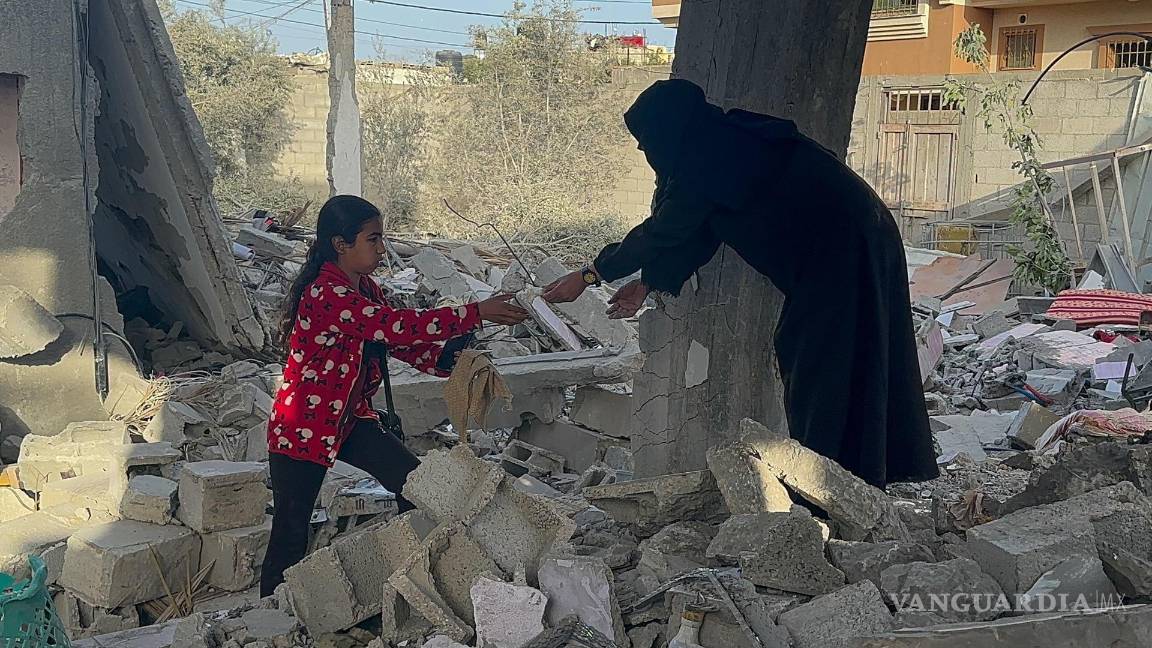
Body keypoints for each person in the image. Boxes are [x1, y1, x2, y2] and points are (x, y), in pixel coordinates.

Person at [544, 79, 939, 488]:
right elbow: (700, 229)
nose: (645, 151)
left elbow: (664, 228)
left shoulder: (709, 157)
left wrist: (590, 275)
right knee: (836, 356)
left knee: (821, 363)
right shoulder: (722, 142)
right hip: (858, 237)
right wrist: (649, 282)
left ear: (669, 130)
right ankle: (848, 478)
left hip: (844, 248)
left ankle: (829, 485)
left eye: (647, 141)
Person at [260, 195, 529, 596]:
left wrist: (449, 359)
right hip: (303, 425)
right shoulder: (325, 293)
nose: (382, 249)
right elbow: (394, 326)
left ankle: (417, 581)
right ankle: (270, 614)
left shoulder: (365, 287)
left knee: (414, 487)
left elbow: (397, 342)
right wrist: (474, 313)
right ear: (340, 244)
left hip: (349, 420)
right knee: (290, 529)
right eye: (373, 239)